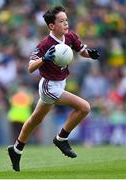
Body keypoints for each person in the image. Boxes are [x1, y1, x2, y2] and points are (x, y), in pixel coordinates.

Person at [7, 5, 100, 171]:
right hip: (49, 85)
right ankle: (61, 138)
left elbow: (81, 50)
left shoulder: (69, 36)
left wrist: (90, 54)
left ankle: (16, 149)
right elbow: (30, 67)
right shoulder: (45, 44)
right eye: (61, 21)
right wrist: (44, 59)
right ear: (51, 26)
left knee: (36, 119)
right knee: (84, 107)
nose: (66, 23)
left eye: (66, 20)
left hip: (60, 82)